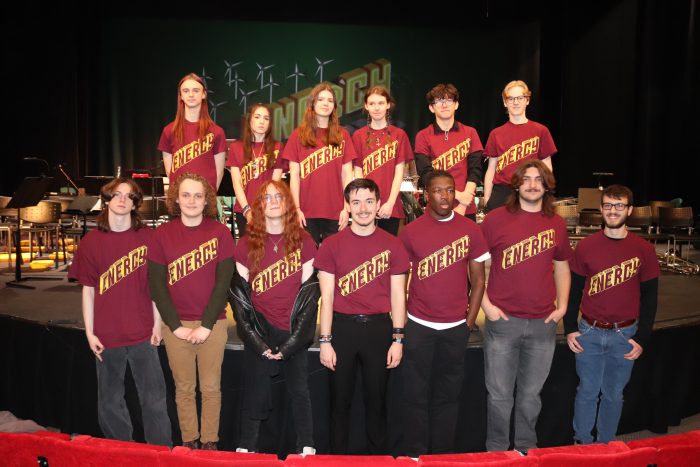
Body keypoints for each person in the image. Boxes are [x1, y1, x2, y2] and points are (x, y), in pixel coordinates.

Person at [69, 177, 172, 446]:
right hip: (106, 336)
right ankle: (121, 453)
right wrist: (89, 333)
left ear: (135, 204)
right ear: (107, 200)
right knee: (110, 402)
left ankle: (160, 455)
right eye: (117, 194)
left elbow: (157, 288)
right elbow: (88, 291)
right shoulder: (91, 242)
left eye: (129, 196)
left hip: (143, 333)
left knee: (154, 401)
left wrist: (157, 325)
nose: (122, 199)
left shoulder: (150, 238)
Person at [480, 160, 572, 453]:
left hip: (543, 323)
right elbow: (477, 268)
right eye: (527, 179)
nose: (533, 184)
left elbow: (562, 267)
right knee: (499, 395)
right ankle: (496, 452)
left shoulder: (556, 223)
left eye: (538, 179)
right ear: (516, 184)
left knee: (531, 395)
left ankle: (525, 451)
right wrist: (486, 306)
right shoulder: (495, 219)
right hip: (502, 321)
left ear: (547, 186)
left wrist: (563, 307)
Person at [315, 178, 410, 454]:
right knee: (339, 405)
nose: (363, 208)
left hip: (379, 330)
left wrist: (398, 339)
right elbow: (327, 297)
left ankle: (377, 459)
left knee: (377, 404)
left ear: (379, 204)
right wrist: (325, 340)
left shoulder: (394, 245)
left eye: (369, 201)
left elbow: (398, 296)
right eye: (356, 202)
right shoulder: (332, 245)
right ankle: (337, 460)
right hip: (342, 330)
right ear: (348, 206)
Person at [398, 170, 489, 457]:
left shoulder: (471, 229)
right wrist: (401, 324)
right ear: (426, 194)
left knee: (448, 397)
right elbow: (398, 282)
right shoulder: (410, 231)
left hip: (454, 328)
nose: (445, 196)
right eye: (438, 191)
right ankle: (416, 454)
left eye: (450, 190)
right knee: (415, 395)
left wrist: (468, 322)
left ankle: (442, 456)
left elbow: (479, 281)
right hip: (418, 325)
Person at [564, 184, 660, 444]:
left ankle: (606, 445)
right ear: (601, 208)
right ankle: (582, 444)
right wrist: (569, 328)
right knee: (586, 392)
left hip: (624, 334)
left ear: (629, 210)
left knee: (614, 395)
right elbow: (574, 290)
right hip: (589, 332)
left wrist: (642, 338)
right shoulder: (585, 246)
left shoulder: (644, 249)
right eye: (608, 205)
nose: (613, 210)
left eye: (619, 206)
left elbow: (650, 297)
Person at [229, 180, 319, 455]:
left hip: (292, 329)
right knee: (255, 391)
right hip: (261, 328)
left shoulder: (305, 241)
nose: (273, 201)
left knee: (300, 392)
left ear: (288, 202)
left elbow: (308, 298)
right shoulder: (245, 244)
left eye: (279, 196)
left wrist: (293, 343)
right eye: (266, 198)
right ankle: (247, 447)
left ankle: (306, 447)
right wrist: (258, 342)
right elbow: (240, 301)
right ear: (259, 206)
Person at [148, 172, 235, 450]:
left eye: (198, 195)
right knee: (184, 389)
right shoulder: (161, 234)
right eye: (185, 195)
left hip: (214, 324)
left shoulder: (220, 232)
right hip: (176, 327)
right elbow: (157, 286)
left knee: (211, 389)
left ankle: (210, 442)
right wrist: (175, 326)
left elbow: (223, 284)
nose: (192, 200)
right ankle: (189, 441)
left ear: (207, 199)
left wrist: (207, 324)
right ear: (176, 198)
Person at [281, 82, 357, 244]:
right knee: (307, 264)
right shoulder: (298, 135)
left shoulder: (343, 135)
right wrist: (296, 209)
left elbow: (347, 175)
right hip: (306, 212)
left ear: (334, 106)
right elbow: (294, 176)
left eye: (330, 100)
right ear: (312, 104)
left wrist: (346, 207)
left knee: (334, 263)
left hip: (336, 211)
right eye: (321, 99)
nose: (325, 104)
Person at [483, 80, 557, 212]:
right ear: (505, 102)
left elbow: (547, 168)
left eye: (520, 98)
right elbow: (491, 169)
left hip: (530, 189)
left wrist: (545, 193)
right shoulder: (496, 134)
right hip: (502, 193)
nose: (515, 102)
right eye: (511, 98)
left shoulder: (541, 131)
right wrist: (487, 197)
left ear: (527, 100)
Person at [414, 83, 484, 218]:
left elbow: (475, 170)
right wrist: (458, 195)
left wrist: (463, 204)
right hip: (436, 207)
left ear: (456, 104)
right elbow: (426, 174)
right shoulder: (422, 136)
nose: (444, 105)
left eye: (448, 100)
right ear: (431, 108)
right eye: (439, 101)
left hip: (466, 208)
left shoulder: (470, 133)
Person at [352, 85, 414, 235]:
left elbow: (399, 173)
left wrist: (390, 203)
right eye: (372, 103)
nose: (376, 108)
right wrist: (365, 201)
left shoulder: (399, 135)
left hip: (389, 205)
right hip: (365, 206)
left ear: (388, 105)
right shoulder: (358, 136)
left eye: (380, 103)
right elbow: (358, 172)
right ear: (366, 106)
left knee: (387, 251)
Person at [158, 73, 227, 191]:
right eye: (186, 91)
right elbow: (170, 172)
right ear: (181, 96)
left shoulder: (217, 132)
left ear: (203, 94)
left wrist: (208, 197)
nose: (191, 95)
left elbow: (219, 172)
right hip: (179, 198)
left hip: (205, 198)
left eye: (196, 90)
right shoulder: (169, 131)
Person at [227, 103, 286, 237]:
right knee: (247, 252)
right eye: (258, 117)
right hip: (243, 209)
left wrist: (263, 210)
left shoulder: (277, 147)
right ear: (250, 120)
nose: (262, 121)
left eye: (266, 118)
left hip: (269, 209)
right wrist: (247, 210)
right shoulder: (236, 147)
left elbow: (274, 185)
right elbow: (237, 183)